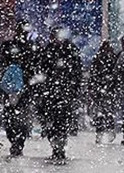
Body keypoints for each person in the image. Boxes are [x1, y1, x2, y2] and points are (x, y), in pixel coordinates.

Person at [37, 27, 82, 163]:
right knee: (50, 121)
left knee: (61, 121)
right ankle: (56, 146)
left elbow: (76, 71)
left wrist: (73, 88)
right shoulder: (49, 50)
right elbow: (42, 69)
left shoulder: (70, 50)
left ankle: (59, 148)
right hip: (51, 92)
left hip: (64, 92)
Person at [0, 22, 36, 157]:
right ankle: (18, 142)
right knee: (19, 118)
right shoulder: (29, 48)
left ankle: (15, 141)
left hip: (11, 89)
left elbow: (0, 63)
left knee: (11, 117)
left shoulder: (9, 46)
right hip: (22, 89)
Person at [89, 40, 117, 143]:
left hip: (102, 89)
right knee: (106, 112)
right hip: (105, 89)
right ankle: (106, 131)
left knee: (102, 112)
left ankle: (102, 132)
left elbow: (93, 74)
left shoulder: (99, 58)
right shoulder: (111, 58)